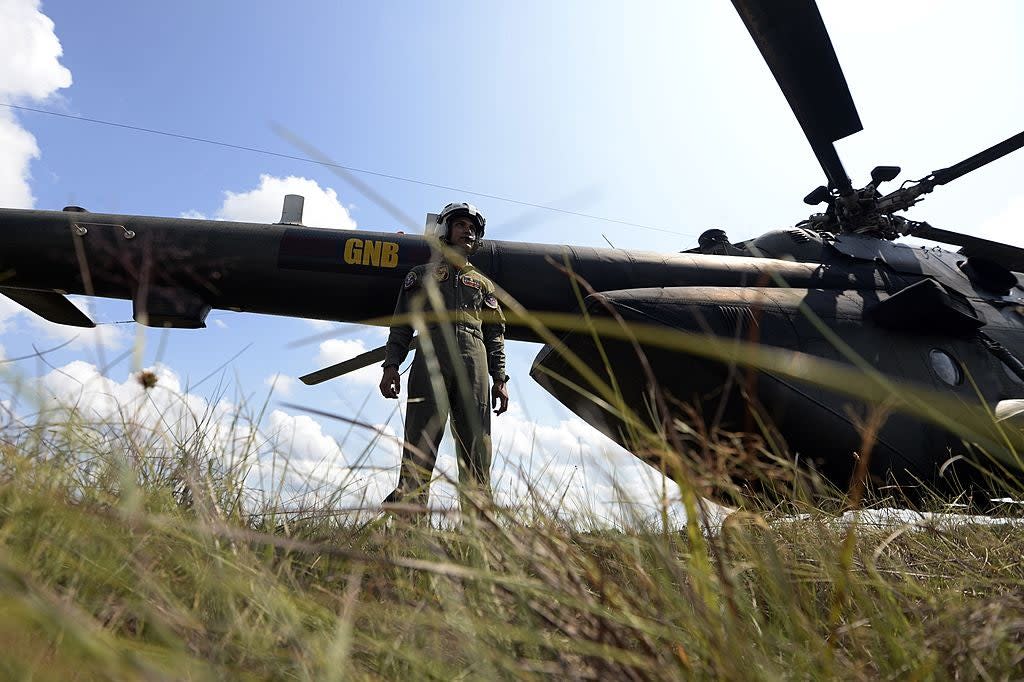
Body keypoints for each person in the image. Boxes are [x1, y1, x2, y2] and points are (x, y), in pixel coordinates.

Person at [379, 202, 509, 510]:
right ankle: (408, 529)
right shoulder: (419, 275)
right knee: (419, 445)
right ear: (445, 230)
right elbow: (401, 327)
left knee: (477, 449)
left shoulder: (483, 283)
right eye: (461, 224)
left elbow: (495, 334)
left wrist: (500, 379)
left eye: (472, 228)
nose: (468, 231)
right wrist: (391, 366)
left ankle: (478, 533)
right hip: (430, 360)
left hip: (474, 364)